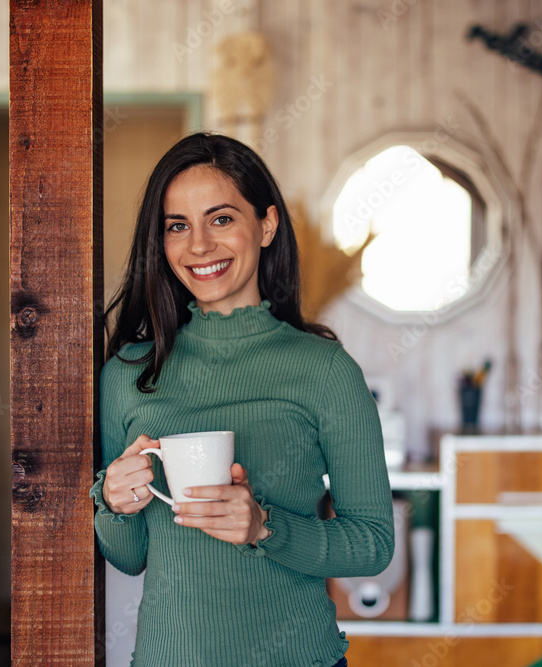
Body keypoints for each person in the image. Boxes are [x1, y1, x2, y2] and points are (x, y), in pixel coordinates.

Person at [89, 132, 395, 667]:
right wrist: (114, 502)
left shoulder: (324, 370)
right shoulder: (128, 374)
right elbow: (131, 557)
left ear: (267, 224)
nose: (199, 245)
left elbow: (372, 543)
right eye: (177, 226)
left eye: (222, 218)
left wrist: (264, 527)